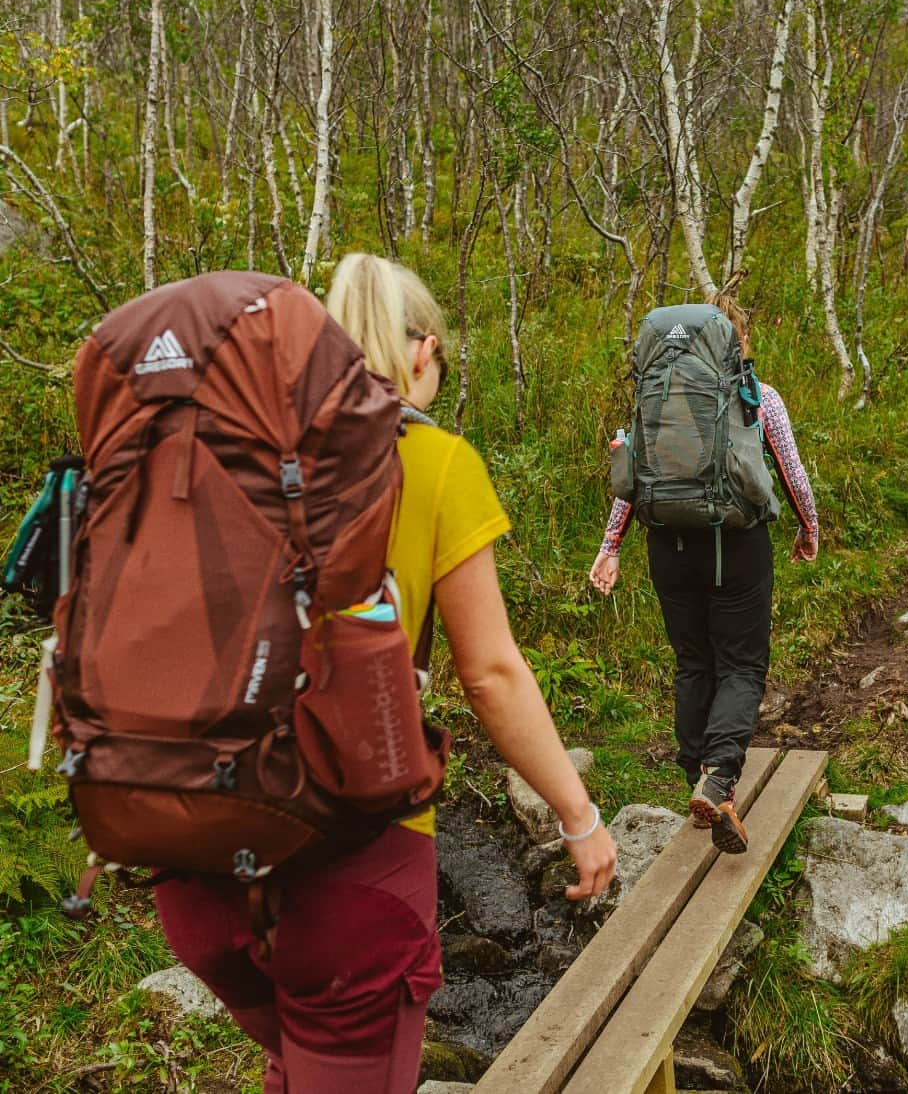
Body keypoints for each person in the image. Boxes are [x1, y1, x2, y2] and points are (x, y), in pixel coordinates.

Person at [154, 253, 616, 1094]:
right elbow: (491, 676)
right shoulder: (437, 462)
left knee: (298, 1064)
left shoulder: (229, 445)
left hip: (199, 867)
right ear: (420, 352)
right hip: (349, 869)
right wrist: (579, 818)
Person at [588, 293, 818, 854]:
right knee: (741, 664)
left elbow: (633, 474)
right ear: (737, 342)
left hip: (668, 544)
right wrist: (808, 528)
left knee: (693, 662)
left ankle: (698, 773)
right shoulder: (758, 397)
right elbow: (788, 468)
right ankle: (718, 776)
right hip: (737, 547)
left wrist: (610, 546)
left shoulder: (656, 394)